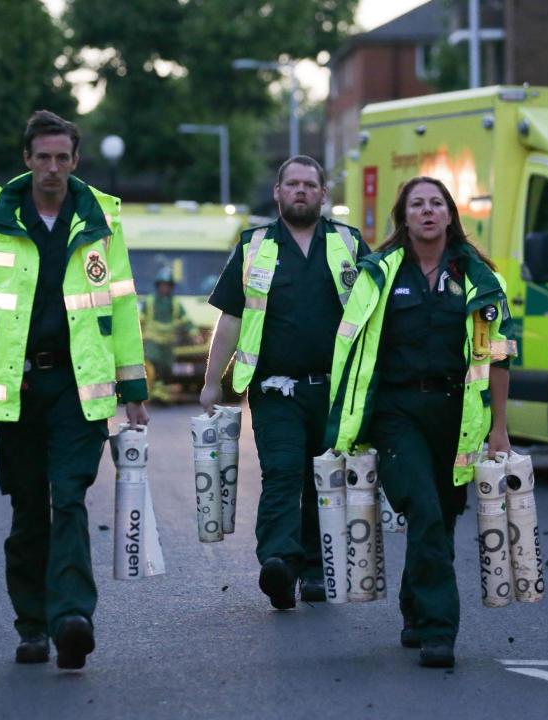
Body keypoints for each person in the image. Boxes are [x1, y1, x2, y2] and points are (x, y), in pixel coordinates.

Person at [0, 110, 149, 669]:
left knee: (72, 498)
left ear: (75, 161)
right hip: (16, 388)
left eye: (63, 158)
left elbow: (122, 306)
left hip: (79, 387)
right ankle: (32, 623)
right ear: (27, 160)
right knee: (30, 509)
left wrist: (132, 382)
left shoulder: (101, 220)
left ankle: (72, 618)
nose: (53, 168)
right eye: (44, 158)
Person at [325, 176, 515, 668]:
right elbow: (351, 348)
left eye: (436, 203)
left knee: (441, 518)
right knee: (425, 509)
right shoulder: (379, 273)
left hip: (457, 415)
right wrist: (346, 423)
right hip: (397, 414)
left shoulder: (479, 279)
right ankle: (439, 631)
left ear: (450, 215)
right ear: (403, 217)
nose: (428, 211)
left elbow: (498, 356)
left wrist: (498, 429)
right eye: (418, 204)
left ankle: (413, 610)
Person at [201, 155, 367, 609]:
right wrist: (212, 380)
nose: (300, 191)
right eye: (291, 184)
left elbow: (376, 318)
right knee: (282, 474)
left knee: (325, 479)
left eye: (309, 185)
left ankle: (316, 568)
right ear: (277, 193)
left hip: (335, 391)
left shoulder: (349, 244)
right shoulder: (254, 245)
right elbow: (232, 316)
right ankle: (279, 562)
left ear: (323, 194)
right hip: (275, 390)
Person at [141, 267, 196, 403]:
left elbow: (185, 320)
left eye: (167, 286)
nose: (164, 288)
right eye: (162, 285)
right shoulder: (149, 302)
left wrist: (194, 333)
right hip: (152, 340)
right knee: (154, 362)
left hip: (168, 342)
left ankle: (163, 394)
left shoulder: (175, 303)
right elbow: (140, 319)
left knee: (167, 367)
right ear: (158, 286)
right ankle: (155, 393)